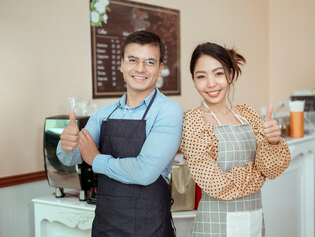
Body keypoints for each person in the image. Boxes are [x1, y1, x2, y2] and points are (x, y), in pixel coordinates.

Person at [57, 30, 183, 237]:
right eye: (133, 60)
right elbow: (71, 159)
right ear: (122, 64)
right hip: (106, 227)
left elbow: (144, 172)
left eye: (150, 62)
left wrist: (95, 159)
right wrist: (67, 146)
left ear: (160, 69)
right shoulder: (104, 113)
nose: (140, 69)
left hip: (150, 228)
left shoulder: (169, 111)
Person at [180, 42, 291, 237]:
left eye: (218, 73)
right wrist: (257, 176)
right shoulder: (193, 122)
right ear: (194, 80)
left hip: (254, 222)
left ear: (230, 74)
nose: (211, 83)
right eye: (201, 77)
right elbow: (215, 184)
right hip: (214, 226)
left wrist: (272, 142)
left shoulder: (247, 114)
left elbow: (271, 170)